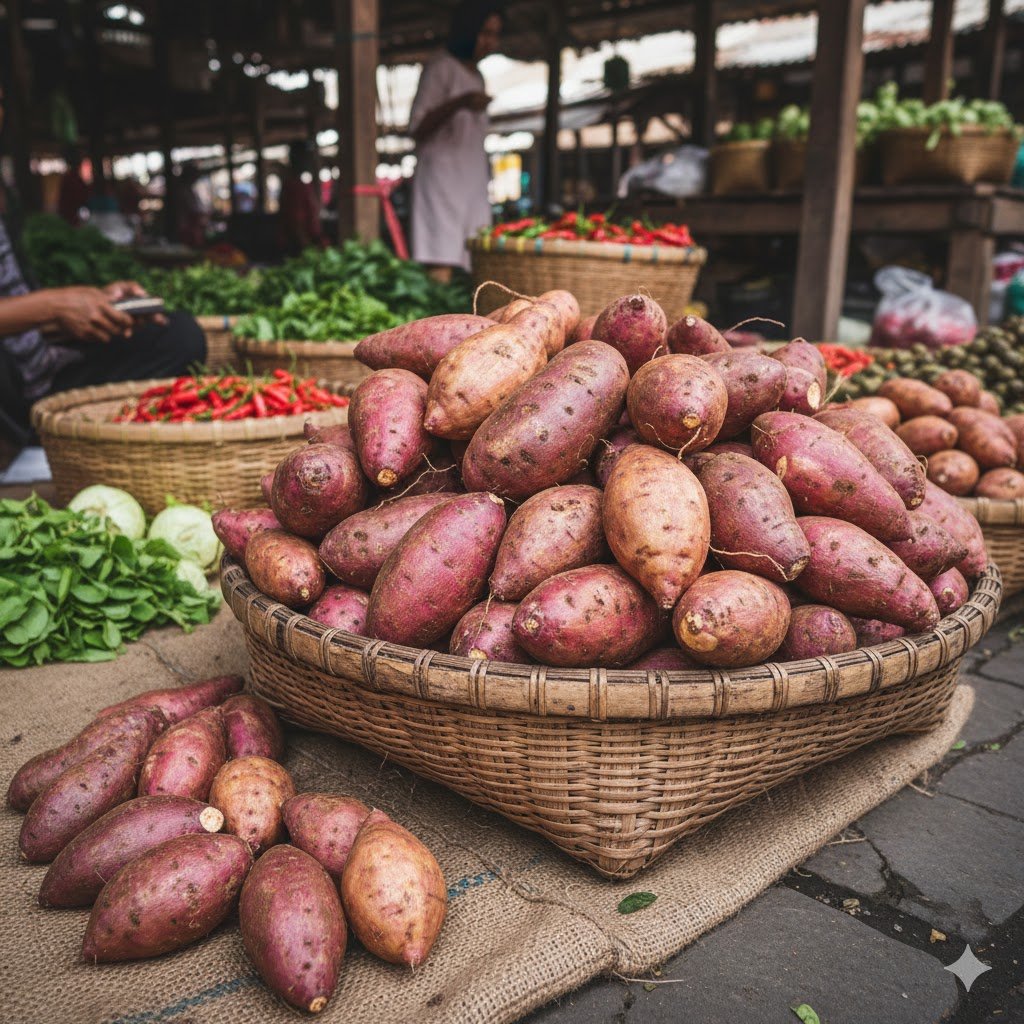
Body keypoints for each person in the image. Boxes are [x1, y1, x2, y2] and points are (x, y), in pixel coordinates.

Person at [0, 214, 206, 445]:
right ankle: (29, 437)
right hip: (10, 391)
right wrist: (53, 306)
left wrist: (94, 309)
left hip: (40, 365)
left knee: (178, 337)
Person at [408, 1, 501, 282]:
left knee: (478, 256)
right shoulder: (441, 67)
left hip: (471, 180)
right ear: (467, 31)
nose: (490, 42)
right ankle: (438, 317)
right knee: (441, 257)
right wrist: (460, 102)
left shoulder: (478, 76)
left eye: (495, 35)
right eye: (485, 33)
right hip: (442, 179)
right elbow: (417, 127)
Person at [277, 142, 323, 255]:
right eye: (307, 157)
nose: (310, 162)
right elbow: (297, 224)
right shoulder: (294, 186)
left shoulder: (298, 184)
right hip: (296, 248)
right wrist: (308, 249)